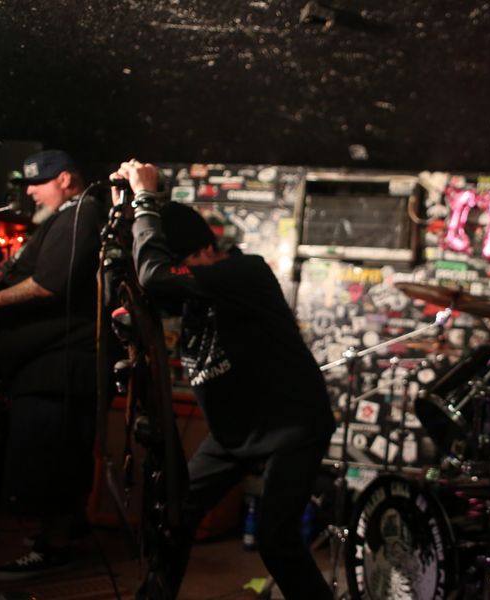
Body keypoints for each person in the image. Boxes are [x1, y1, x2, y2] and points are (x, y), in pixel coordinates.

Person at [110, 160, 335, 600]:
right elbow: (144, 281)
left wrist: (145, 199)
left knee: (276, 540)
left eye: (182, 263)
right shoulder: (196, 291)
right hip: (233, 433)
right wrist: (127, 208)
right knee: (173, 516)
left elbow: (157, 277)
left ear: (203, 250)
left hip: (290, 426)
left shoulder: (245, 272)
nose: (181, 274)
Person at [0, 149, 105, 580]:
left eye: (38, 182)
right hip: (43, 367)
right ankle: (55, 537)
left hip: (59, 368)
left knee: (49, 462)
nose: (30, 192)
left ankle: (52, 548)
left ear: (65, 179)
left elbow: (48, 284)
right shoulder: (64, 217)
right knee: (47, 458)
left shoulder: (81, 213)